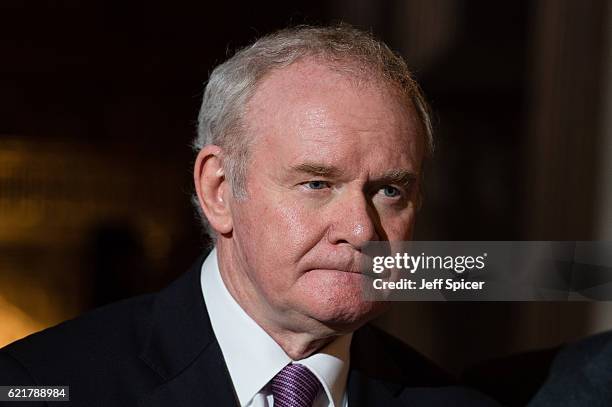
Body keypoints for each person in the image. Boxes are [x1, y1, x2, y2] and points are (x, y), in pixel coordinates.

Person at [0, 25, 498, 406]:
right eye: (317, 184)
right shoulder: (45, 384)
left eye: (389, 190)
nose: (360, 229)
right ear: (219, 190)